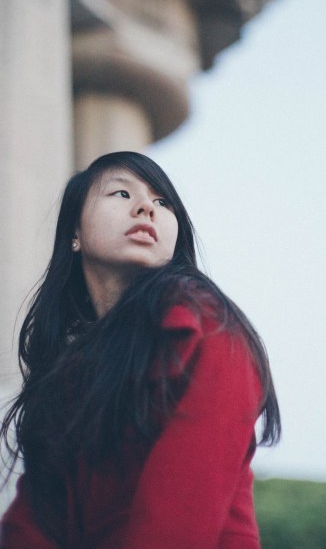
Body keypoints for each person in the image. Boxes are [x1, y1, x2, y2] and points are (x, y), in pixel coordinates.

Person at [0, 151, 281, 548]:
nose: (147, 208)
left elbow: (180, 517)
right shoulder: (65, 375)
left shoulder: (208, 327)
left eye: (162, 202)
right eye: (121, 193)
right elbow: (32, 524)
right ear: (74, 232)